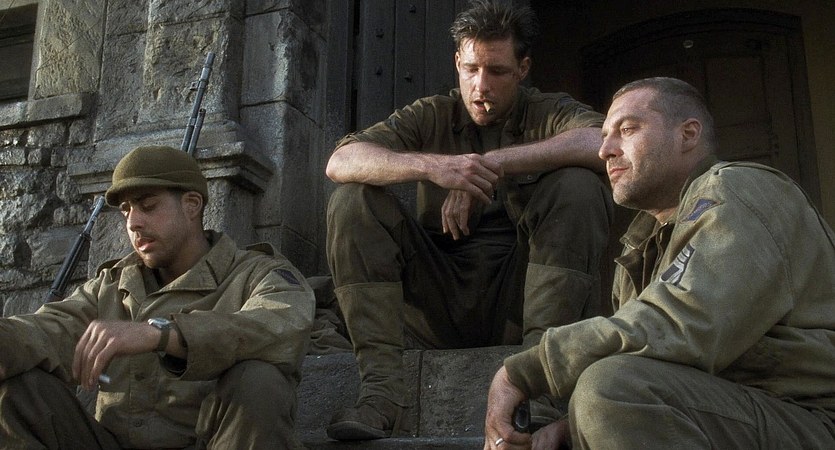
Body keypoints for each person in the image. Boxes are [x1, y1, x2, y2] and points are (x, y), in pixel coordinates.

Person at [483, 77, 835, 449]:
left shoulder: (739, 189)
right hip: (743, 412)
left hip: (811, 417)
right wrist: (571, 426)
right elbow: (665, 364)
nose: (605, 150)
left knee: (612, 389)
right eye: (604, 136)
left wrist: (526, 371)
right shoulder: (641, 246)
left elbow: (686, 321)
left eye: (627, 130)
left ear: (688, 135)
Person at [325, 0, 612, 440]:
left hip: (517, 301)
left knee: (579, 185)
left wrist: (490, 163)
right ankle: (382, 395)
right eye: (471, 69)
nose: (481, 85)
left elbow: (602, 142)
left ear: (523, 68)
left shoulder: (546, 110)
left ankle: (537, 387)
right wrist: (436, 167)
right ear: (457, 62)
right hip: (436, 302)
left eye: (497, 71)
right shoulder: (431, 113)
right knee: (352, 200)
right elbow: (341, 161)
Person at [0, 145, 315, 449]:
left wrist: (162, 334)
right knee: (18, 388)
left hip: (212, 442)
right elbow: (45, 330)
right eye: (126, 211)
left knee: (260, 380)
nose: (133, 223)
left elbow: (281, 325)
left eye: (148, 206)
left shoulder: (258, 274)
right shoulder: (109, 286)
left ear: (191, 205)